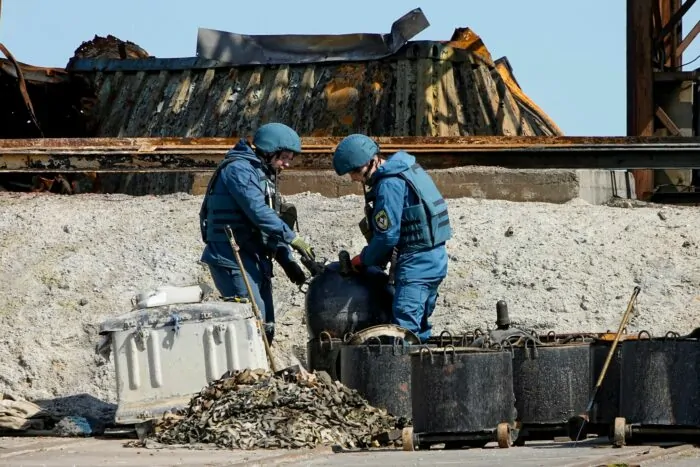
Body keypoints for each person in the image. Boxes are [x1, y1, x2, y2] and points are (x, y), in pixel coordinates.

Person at [199, 123, 316, 344]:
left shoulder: (261, 174)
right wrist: (293, 238)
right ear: (269, 151)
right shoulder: (239, 170)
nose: (287, 164)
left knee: (267, 324)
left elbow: (268, 225)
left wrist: (288, 261)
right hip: (232, 258)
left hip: (254, 258)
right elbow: (259, 213)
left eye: (290, 159)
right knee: (252, 325)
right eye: (284, 158)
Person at [332, 134, 452, 342]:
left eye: (355, 172)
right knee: (419, 329)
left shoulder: (389, 184)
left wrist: (363, 259)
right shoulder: (407, 168)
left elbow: (387, 237)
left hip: (416, 264)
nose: (353, 178)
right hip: (435, 259)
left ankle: (405, 365)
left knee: (403, 334)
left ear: (372, 161)